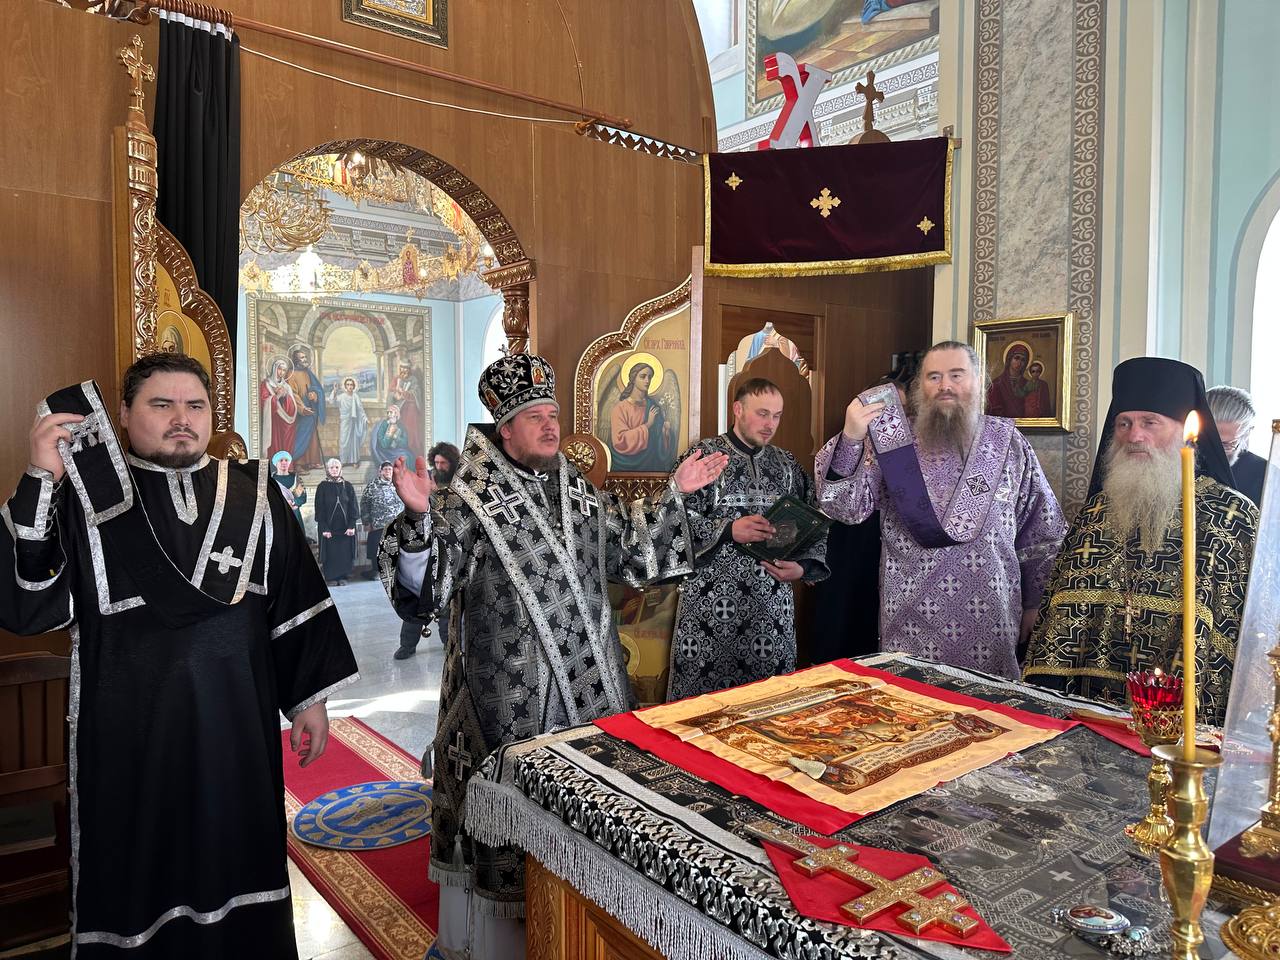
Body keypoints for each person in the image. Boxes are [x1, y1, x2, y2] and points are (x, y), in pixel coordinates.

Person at [0, 353, 357, 958]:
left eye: (195, 406)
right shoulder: (85, 501)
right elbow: (29, 606)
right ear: (123, 413)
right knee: (141, 868)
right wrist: (40, 477)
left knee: (239, 852)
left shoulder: (254, 493)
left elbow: (294, 595)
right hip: (130, 734)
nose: (181, 419)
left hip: (236, 729)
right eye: (161, 405)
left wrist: (309, 699)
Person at [377, 353, 728, 957]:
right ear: (504, 429)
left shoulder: (578, 492)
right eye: (534, 416)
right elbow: (423, 590)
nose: (549, 425)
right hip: (505, 703)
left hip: (588, 702)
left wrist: (676, 492)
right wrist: (416, 519)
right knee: (507, 858)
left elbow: (632, 548)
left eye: (554, 414)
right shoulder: (466, 501)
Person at [1024, 358, 1258, 724]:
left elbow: (1246, 634)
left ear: (1184, 431)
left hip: (1185, 723)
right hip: (1089, 710)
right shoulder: (1096, 512)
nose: (1134, 436)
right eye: (1124, 423)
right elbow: (1058, 622)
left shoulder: (1230, 517)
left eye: (1150, 423)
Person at [816, 340, 1066, 679]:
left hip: (992, 617)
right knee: (911, 704)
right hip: (910, 618)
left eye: (956, 375)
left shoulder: (1007, 442)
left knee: (986, 706)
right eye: (933, 377)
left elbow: (1042, 530)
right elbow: (845, 507)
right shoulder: (894, 444)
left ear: (978, 381)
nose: (944, 385)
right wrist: (851, 437)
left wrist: (1036, 603)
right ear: (920, 386)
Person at [668, 377, 829, 699]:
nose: (770, 424)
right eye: (762, 413)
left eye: (777, 416)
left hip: (771, 609)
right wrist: (729, 530)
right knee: (702, 706)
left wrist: (803, 567)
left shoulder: (787, 464)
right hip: (709, 610)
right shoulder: (704, 458)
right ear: (738, 409)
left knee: (769, 701)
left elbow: (816, 522)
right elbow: (671, 521)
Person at [608, 362, 674, 471]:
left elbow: (659, 444)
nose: (647, 381)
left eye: (650, 377)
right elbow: (620, 441)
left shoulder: (653, 406)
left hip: (651, 465)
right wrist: (648, 425)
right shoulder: (620, 408)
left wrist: (665, 432)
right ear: (633, 379)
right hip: (623, 467)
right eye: (643, 376)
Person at [1207, 384, 1266, 506]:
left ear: (1246, 434)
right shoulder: (1179, 465)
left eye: (1227, 444)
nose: (1218, 452)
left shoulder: (1264, 475)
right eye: (1211, 442)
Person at [314, 458, 357, 585]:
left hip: (345, 529)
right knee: (331, 554)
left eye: (336, 467)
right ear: (327, 470)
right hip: (329, 529)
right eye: (331, 467)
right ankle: (331, 578)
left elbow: (353, 508)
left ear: (340, 469)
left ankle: (343, 577)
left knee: (344, 553)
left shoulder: (347, 486)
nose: (334, 470)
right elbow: (319, 509)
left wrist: (351, 526)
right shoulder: (322, 486)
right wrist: (324, 528)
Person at [287, 345, 327, 469]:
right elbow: (292, 394)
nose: (305, 359)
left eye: (305, 357)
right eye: (302, 358)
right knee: (301, 435)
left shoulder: (308, 372)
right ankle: (298, 463)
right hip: (299, 411)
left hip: (310, 408)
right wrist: (302, 408)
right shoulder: (291, 374)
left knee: (312, 436)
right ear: (296, 360)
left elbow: (317, 388)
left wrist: (315, 395)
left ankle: (312, 461)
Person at [259, 356, 298, 459]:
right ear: (274, 369)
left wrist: (286, 396)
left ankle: (286, 464)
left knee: (286, 446)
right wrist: (277, 397)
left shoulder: (287, 386)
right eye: (280, 369)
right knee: (275, 445)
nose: (281, 372)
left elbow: (292, 406)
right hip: (274, 421)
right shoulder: (266, 384)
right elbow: (263, 402)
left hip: (285, 422)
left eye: (284, 370)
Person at [330, 376, 369, 466]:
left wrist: (365, 418)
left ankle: (354, 461)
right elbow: (332, 401)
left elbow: (360, 409)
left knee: (354, 442)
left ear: (354, 386)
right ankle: (343, 461)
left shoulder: (356, 397)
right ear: (345, 386)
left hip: (353, 421)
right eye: (348, 385)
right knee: (344, 441)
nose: (350, 386)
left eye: (351, 385)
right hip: (345, 421)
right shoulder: (342, 397)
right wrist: (335, 391)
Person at [388, 360, 423, 459]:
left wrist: (403, 392)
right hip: (399, 410)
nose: (404, 370)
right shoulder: (396, 379)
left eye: (406, 368)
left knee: (410, 430)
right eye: (402, 368)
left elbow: (416, 393)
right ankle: (398, 452)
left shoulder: (413, 380)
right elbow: (390, 392)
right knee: (398, 430)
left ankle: (411, 451)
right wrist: (395, 394)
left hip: (411, 410)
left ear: (409, 369)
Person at [985, 341, 1029, 418]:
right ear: (1009, 359)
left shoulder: (1028, 384)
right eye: (1016, 358)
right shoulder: (997, 384)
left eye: (1023, 360)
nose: (1019, 362)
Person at [269, 449, 308, 531]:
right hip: (277, 514)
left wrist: (294, 503)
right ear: (276, 463)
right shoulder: (271, 480)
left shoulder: (296, 479)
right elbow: (268, 498)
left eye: (286, 460)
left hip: (293, 513)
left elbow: (303, 497)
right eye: (281, 460)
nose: (284, 462)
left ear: (289, 463)